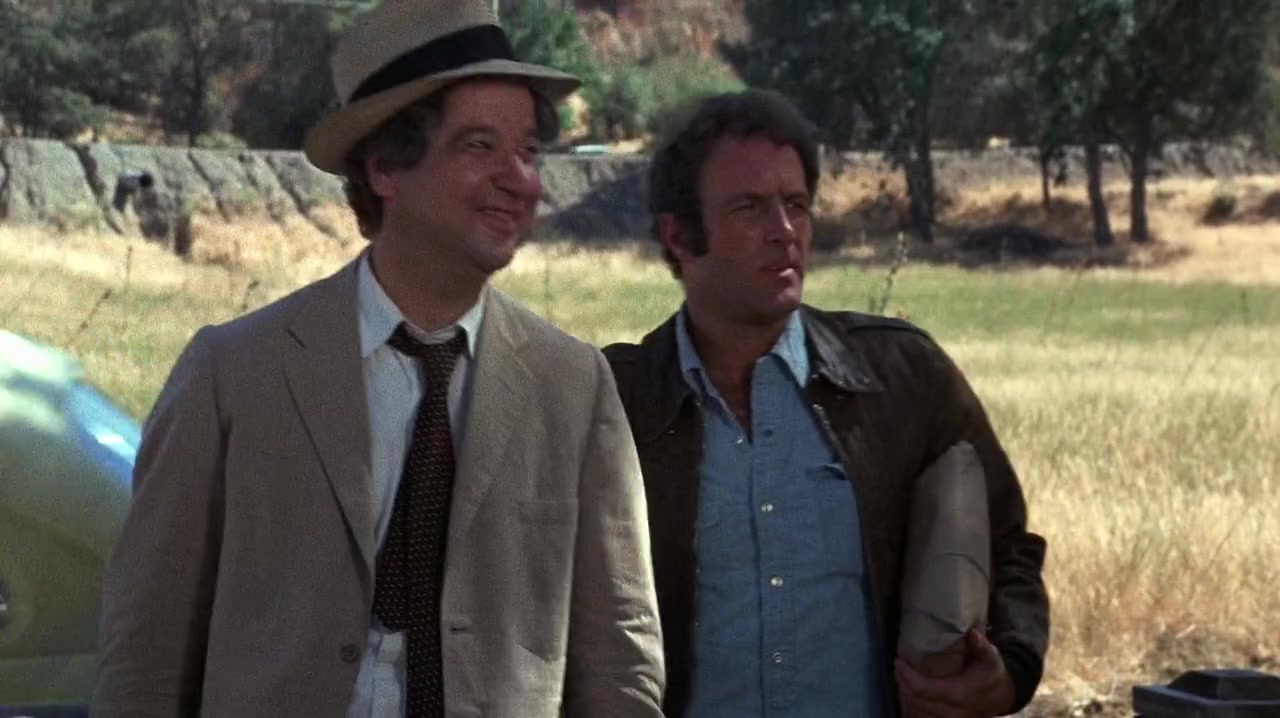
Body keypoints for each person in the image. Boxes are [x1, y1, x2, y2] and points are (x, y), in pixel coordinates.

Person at [92, 2, 664, 716]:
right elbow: (144, 655)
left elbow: (621, 659)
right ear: (385, 167)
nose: (519, 180)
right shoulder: (232, 375)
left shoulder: (574, 386)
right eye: (479, 147)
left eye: (527, 152)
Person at [603, 89, 1049, 717]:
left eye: (796, 205)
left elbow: (1008, 547)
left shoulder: (902, 377)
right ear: (679, 236)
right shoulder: (613, 402)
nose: (784, 231)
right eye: (750, 208)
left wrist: (1009, 672)